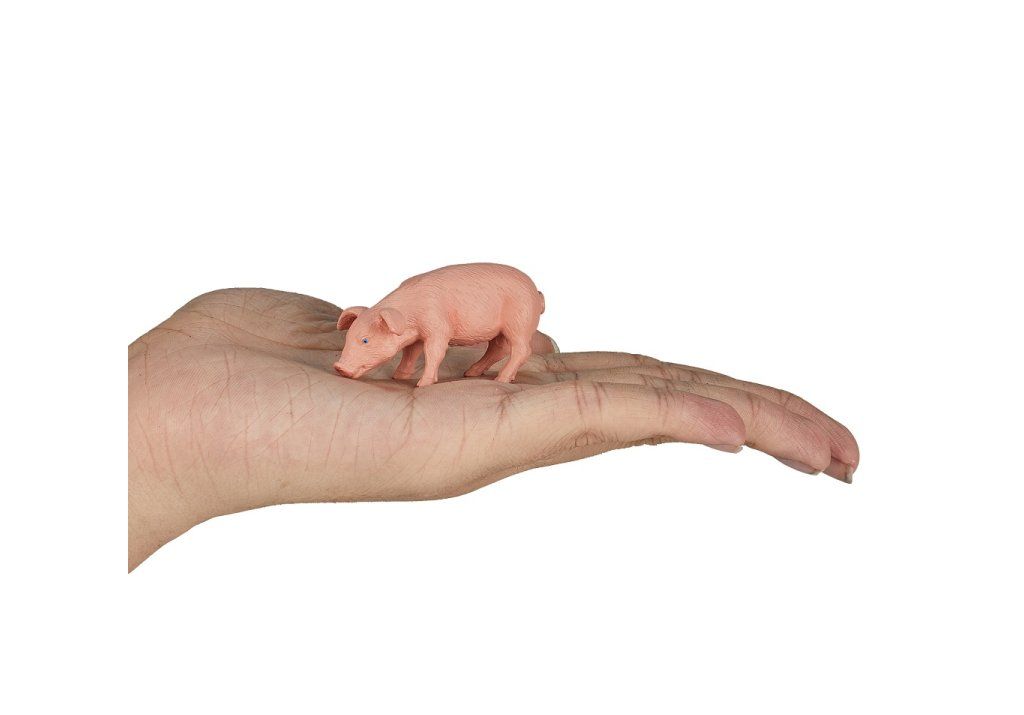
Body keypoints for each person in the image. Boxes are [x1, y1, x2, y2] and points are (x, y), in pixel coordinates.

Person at [128, 288, 859, 570]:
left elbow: (432, 345)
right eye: (357, 343)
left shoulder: (414, 318)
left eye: (365, 342)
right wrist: (155, 431)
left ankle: (504, 361)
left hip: (498, 303)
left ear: (381, 324)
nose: (355, 355)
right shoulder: (396, 317)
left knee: (514, 347)